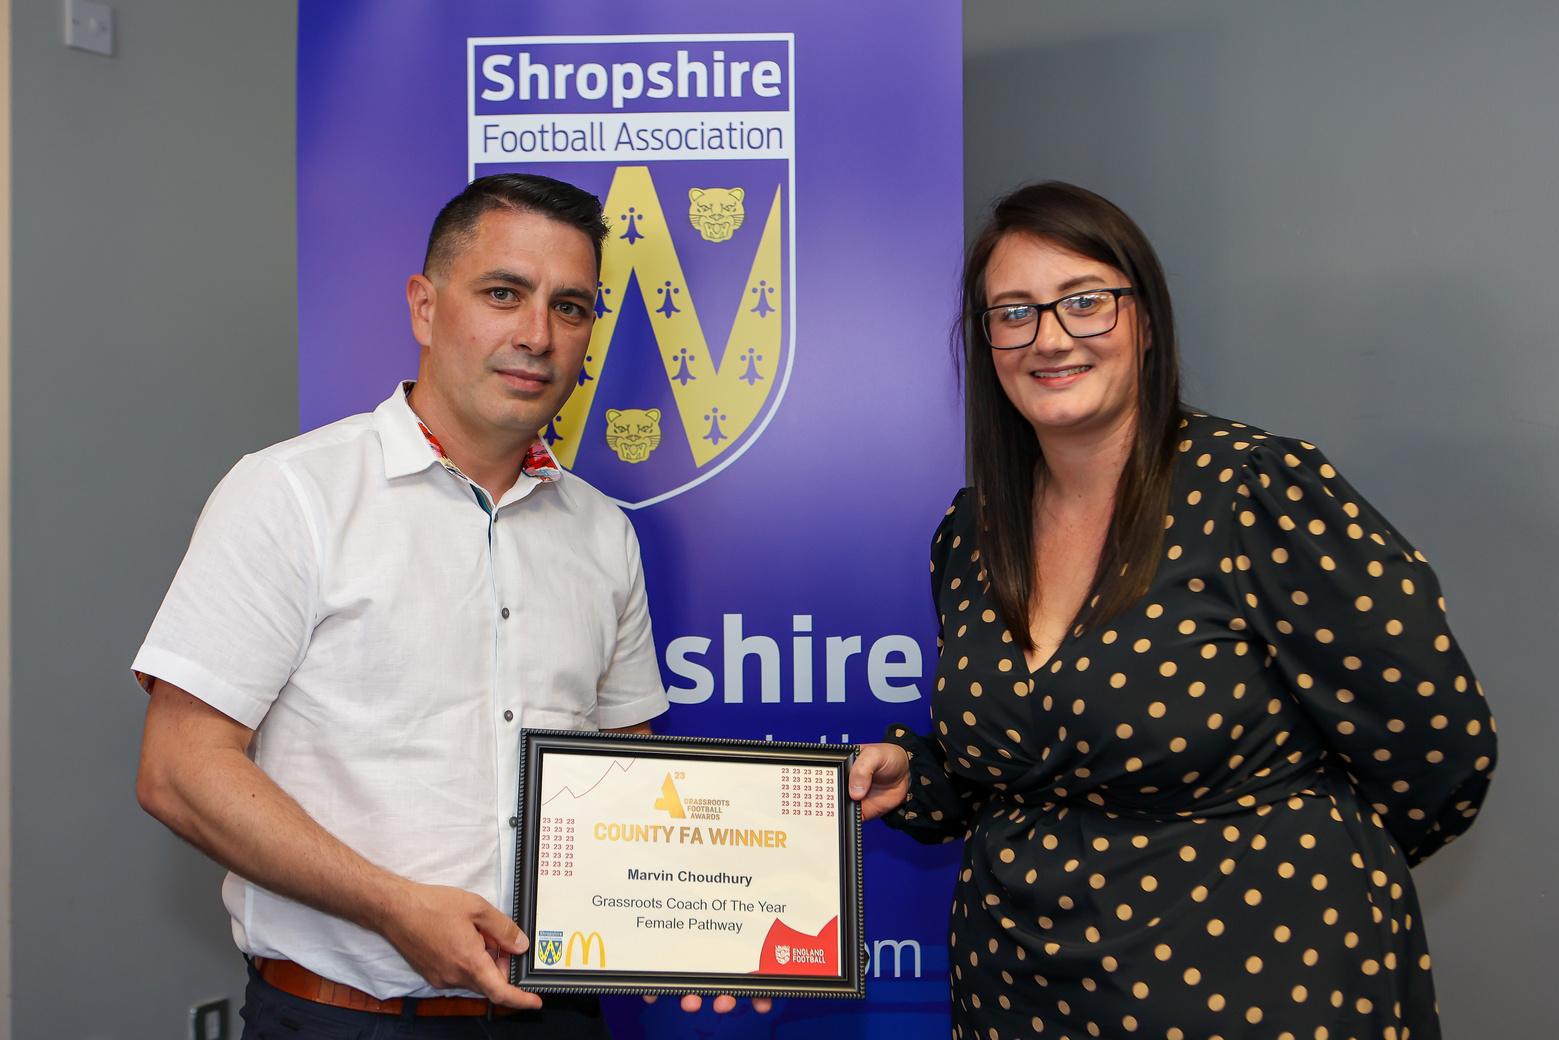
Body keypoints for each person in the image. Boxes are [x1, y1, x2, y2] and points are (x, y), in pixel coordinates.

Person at [848, 181, 1496, 1040]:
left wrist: (1297, 866)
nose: (1049, 337)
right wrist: (917, 776)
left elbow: (1438, 745)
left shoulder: (1254, 491)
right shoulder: (973, 533)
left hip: (1258, 985)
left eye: (1084, 301)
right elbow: (1021, 763)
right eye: (1014, 313)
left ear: (1145, 321)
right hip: (1020, 994)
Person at [134, 173, 754, 1037]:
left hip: (555, 1016)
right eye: (503, 294)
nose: (536, 335)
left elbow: (629, 774)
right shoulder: (291, 494)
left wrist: (697, 930)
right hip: (345, 1019)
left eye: (570, 307)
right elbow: (178, 770)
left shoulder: (602, 533)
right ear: (424, 308)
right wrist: (392, 907)